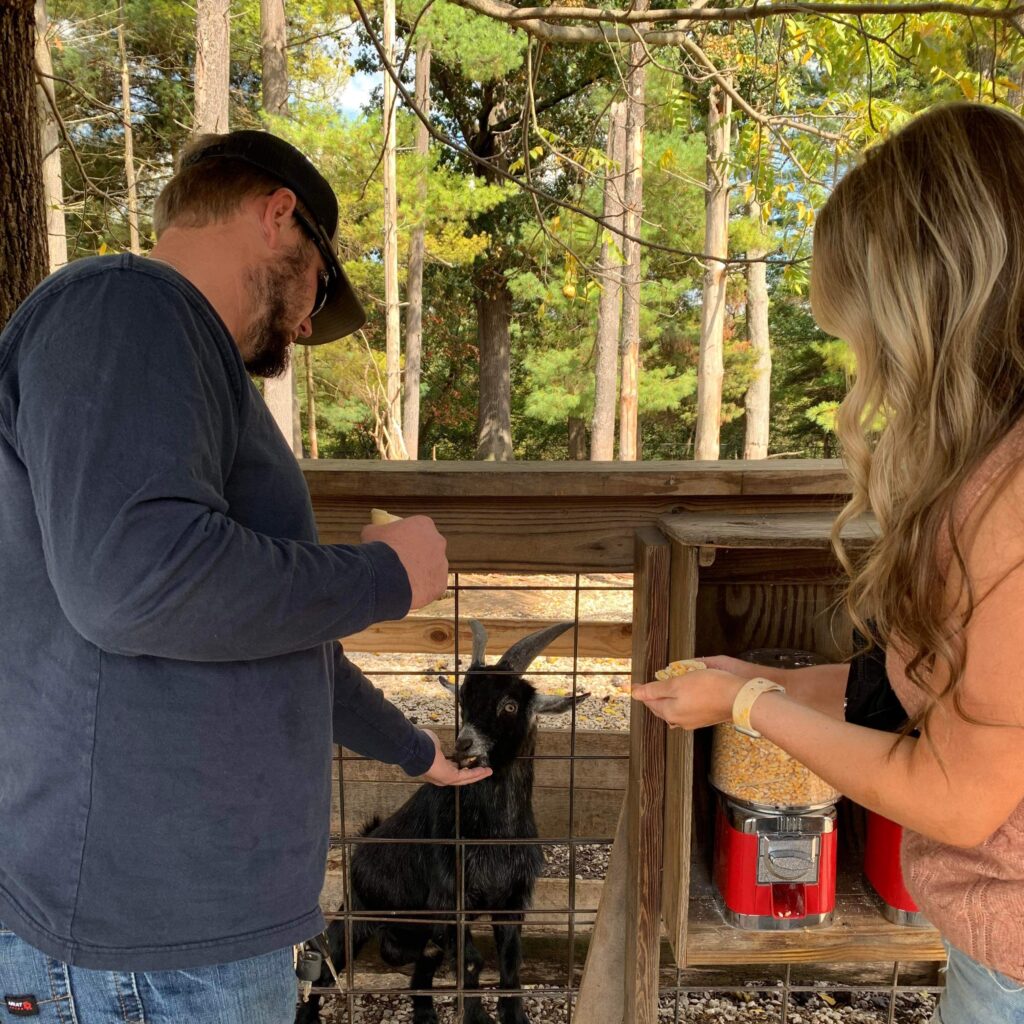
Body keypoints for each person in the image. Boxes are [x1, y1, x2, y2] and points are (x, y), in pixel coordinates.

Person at [0, 130, 490, 1024]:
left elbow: (262, 637)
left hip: (181, 944)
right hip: (139, 953)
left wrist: (415, 749)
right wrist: (386, 575)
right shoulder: (126, 308)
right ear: (278, 217)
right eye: (320, 290)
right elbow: (135, 581)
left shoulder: (166, 352)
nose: (307, 325)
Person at [631, 102, 1024, 1022]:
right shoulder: (990, 466)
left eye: (862, 336)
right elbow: (957, 693)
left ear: (924, 310)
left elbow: (958, 798)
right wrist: (777, 680)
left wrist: (747, 707)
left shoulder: (1009, 505)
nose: (865, 367)